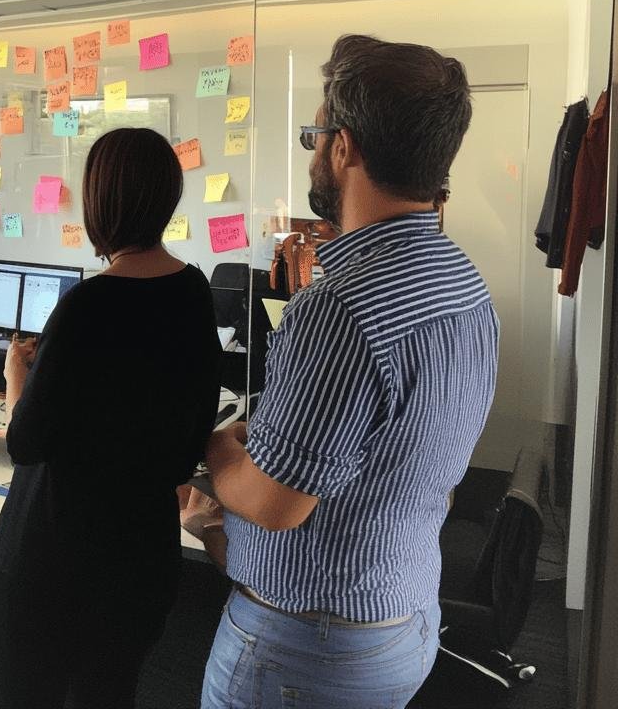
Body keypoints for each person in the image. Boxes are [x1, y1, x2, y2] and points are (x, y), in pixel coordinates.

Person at [201, 35, 497, 709]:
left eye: (316, 135)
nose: (314, 153)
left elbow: (275, 503)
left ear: (344, 147)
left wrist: (213, 441)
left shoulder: (336, 307)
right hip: (406, 616)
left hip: (306, 650)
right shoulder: (465, 286)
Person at [0, 127, 221, 708]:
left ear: (100, 202)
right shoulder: (194, 291)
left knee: (30, 696)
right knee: (110, 693)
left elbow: (24, 442)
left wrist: (17, 375)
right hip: (142, 551)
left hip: (55, 556)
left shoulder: (86, 307)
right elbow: (192, 428)